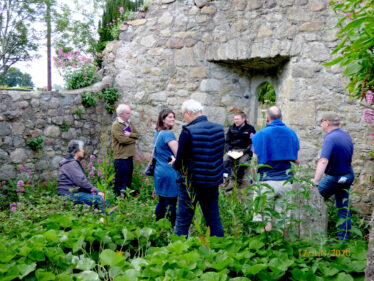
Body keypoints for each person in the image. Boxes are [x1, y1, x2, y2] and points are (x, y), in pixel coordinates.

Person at [173, 99, 225, 237]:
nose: (184, 117)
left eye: (183, 114)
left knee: (183, 220)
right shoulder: (219, 129)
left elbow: (180, 162)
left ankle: (177, 252)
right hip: (212, 182)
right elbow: (218, 155)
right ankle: (220, 249)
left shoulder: (188, 131)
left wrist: (173, 163)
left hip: (191, 183)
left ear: (189, 113)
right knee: (213, 218)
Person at [251, 106, 300, 232]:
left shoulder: (259, 135)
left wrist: (254, 179)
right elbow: (297, 161)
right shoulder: (292, 134)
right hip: (285, 182)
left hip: (265, 182)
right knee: (282, 219)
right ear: (282, 118)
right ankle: (281, 247)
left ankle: (265, 248)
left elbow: (254, 162)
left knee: (263, 218)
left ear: (267, 119)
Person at [312, 112, 354, 240]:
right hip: (347, 175)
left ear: (326, 122)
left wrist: (316, 181)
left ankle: (312, 236)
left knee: (310, 200)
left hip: (334, 178)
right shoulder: (345, 135)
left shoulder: (330, 138)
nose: (321, 125)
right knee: (343, 208)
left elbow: (323, 161)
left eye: (321, 122)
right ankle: (344, 238)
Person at [57, 140, 107, 209]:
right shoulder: (71, 164)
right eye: (82, 149)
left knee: (99, 193)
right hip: (70, 194)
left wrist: (95, 190)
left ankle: (100, 217)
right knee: (101, 199)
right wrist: (95, 191)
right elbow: (81, 182)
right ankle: (108, 218)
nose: (83, 151)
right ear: (77, 151)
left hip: (69, 192)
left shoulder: (69, 162)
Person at [153, 109, 179, 227]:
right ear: (163, 119)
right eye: (169, 117)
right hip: (169, 172)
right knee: (171, 202)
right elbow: (178, 154)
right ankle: (171, 228)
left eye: (173, 117)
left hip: (159, 171)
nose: (172, 119)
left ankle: (158, 225)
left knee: (162, 200)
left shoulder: (158, 133)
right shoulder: (168, 134)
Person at [111, 104, 140, 197]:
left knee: (128, 181)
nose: (130, 115)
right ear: (121, 114)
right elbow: (122, 140)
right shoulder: (116, 125)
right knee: (120, 183)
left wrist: (130, 134)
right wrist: (133, 140)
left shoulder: (129, 123)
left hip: (129, 157)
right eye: (128, 113)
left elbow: (137, 134)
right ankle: (118, 203)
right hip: (121, 158)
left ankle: (126, 202)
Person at [223, 110, 256, 190]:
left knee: (242, 162)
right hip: (233, 150)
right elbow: (227, 142)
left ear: (243, 119)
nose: (235, 121)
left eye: (237, 119)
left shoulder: (250, 129)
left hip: (245, 151)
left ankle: (237, 180)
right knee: (225, 159)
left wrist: (244, 152)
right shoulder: (231, 128)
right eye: (234, 119)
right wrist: (229, 150)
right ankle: (227, 179)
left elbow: (253, 143)